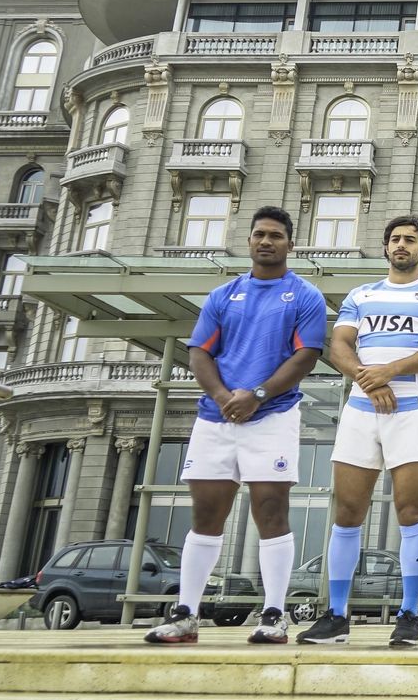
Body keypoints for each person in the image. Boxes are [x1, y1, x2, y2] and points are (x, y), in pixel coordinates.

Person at [145, 206, 327, 645]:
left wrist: (257, 395)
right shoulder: (222, 295)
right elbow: (199, 354)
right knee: (206, 515)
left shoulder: (305, 296)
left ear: (290, 244)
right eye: (260, 234)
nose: (267, 242)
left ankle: (274, 614)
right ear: (248, 240)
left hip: (273, 417)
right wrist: (226, 398)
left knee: (270, 511)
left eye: (276, 236)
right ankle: (186, 614)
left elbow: (306, 356)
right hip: (216, 417)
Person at [297, 216, 418, 649]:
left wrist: (388, 372)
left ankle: (409, 615)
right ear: (386, 247)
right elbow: (339, 346)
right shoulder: (361, 294)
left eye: (410, 240)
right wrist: (368, 380)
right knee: (348, 513)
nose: (401, 245)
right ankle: (335, 616)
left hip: (412, 410)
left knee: (410, 510)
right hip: (360, 409)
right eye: (394, 239)